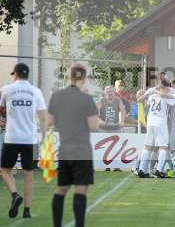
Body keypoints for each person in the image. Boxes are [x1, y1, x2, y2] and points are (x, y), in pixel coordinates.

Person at [47, 64, 100, 227]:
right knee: (80, 189)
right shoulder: (87, 98)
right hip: (82, 150)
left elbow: (49, 122)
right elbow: (93, 126)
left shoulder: (56, 96)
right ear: (84, 78)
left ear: (68, 76)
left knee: (61, 189)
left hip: (64, 149)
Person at [0, 63, 47, 219]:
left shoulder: (7, 89)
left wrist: (4, 120)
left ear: (16, 74)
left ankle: (15, 195)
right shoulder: (36, 91)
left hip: (12, 137)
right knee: (28, 174)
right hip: (30, 138)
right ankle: (27, 211)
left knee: (5, 171)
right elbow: (42, 117)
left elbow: (1, 111)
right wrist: (44, 136)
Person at [138, 79, 175, 178]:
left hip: (150, 122)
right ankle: (159, 170)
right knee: (163, 147)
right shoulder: (166, 96)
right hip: (161, 123)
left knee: (147, 146)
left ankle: (142, 169)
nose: (169, 89)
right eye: (168, 87)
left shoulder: (152, 93)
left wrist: (147, 95)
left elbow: (142, 102)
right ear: (165, 87)